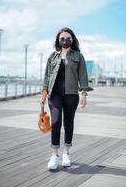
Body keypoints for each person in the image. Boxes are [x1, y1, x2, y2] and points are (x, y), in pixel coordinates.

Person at [41, 27, 92, 170]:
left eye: (68, 38)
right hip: (54, 94)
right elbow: (47, 76)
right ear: (58, 40)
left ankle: (66, 153)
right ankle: (55, 155)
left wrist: (84, 94)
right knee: (56, 122)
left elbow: (83, 76)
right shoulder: (53, 56)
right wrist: (44, 94)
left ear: (73, 40)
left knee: (68, 123)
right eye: (62, 38)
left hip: (71, 95)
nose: (65, 40)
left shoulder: (78, 56)